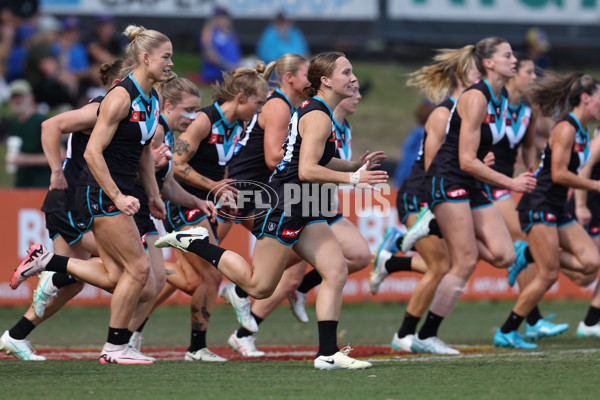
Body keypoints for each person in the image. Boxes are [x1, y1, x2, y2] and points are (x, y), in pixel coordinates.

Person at [155, 52, 388, 370]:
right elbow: (306, 169)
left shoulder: (320, 112)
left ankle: (328, 353)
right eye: (347, 72)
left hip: (304, 203)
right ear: (326, 80)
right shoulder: (318, 115)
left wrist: (354, 165)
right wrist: (354, 177)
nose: (354, 78)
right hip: (288, 203)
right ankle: (196, 241)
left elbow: (315, 159)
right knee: (259, 286)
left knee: (336, 271)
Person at [11, 25, 171, 364]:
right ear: (145, 58)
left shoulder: (152, 99)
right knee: (138, 271)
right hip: (98, 193)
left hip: (114, 193)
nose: (171, 64)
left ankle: (47, 263)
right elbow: (91, 154)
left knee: (118, 275)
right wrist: (116, 195)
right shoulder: (117, 98)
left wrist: (154, 194)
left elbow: (143, 152)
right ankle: (115, 347)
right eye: (166, 57)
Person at [0, 58, 133, 361]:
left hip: (75, 202)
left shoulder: (126, 111)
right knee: (123, 268)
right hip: (72, 201)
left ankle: (15, 334)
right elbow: (51, 124)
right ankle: (49, 264)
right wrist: (55, 170)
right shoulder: (101, 107)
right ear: (119, 84)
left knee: (74, 284)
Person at [413, 37, 537, 353]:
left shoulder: (502, 96)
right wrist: (510, 183)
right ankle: (426, 336)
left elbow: (481, 151)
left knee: (506, 254)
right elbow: (465, 159)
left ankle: (437, 227)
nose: (514, 61)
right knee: (465, 261)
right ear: (489, 64)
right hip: (449, 178)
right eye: (507, 55)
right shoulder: (476, 97)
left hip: (470, 182)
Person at [370, 45, 481, 354]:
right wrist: (430, 206)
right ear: (462, 76)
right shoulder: (444, 112)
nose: (482, 79)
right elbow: (431, 166)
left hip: (437, 195)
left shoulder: (467, 111)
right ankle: (406, 335)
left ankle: (392, 261)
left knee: (453, 262)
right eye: (477, 72)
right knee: (440, 266)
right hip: (421, 195)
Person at [161, 64, 268, 361]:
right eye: (258, 103)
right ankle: (197, 347)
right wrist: (215, 187)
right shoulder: (204, 120)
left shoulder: (239, 125)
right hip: (182, 204)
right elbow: (178, 166)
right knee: (210, 275)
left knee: (197, 279)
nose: (260, 110)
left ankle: (149, 284)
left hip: (208, 203)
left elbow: (221, 166)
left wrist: (226, 193)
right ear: (242, 97)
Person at [495, 72, 600, 348]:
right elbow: (558, 174)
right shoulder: (566, 128)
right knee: (548, 274)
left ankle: (526, 253)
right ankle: (507, 330)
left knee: (591, 263)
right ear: (586, 98)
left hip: (556, 208)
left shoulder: (583, 129)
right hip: (539, 204)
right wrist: (595, 186)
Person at [573, 130, 600, 338]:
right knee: (586, 273)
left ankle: (592, 322)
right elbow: (586, 165)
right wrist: (580, 205)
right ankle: (528, 254)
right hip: (592, 203)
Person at [4, 79, 51, 187]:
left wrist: (26, 159)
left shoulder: (41, 122)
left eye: (21, 96)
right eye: (14, 97)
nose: (18, 100)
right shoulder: (13, 123)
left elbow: (60, 155)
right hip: (22, 183)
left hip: (42, 184)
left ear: (31, 97)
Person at [199, 5, 241, 84]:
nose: (223, 20)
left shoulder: (231, 34)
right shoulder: (209, 32)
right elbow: (209, 54)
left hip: (232, 71)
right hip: (217, 74)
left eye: (224, 17)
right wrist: (228, 66)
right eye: (219, 17)